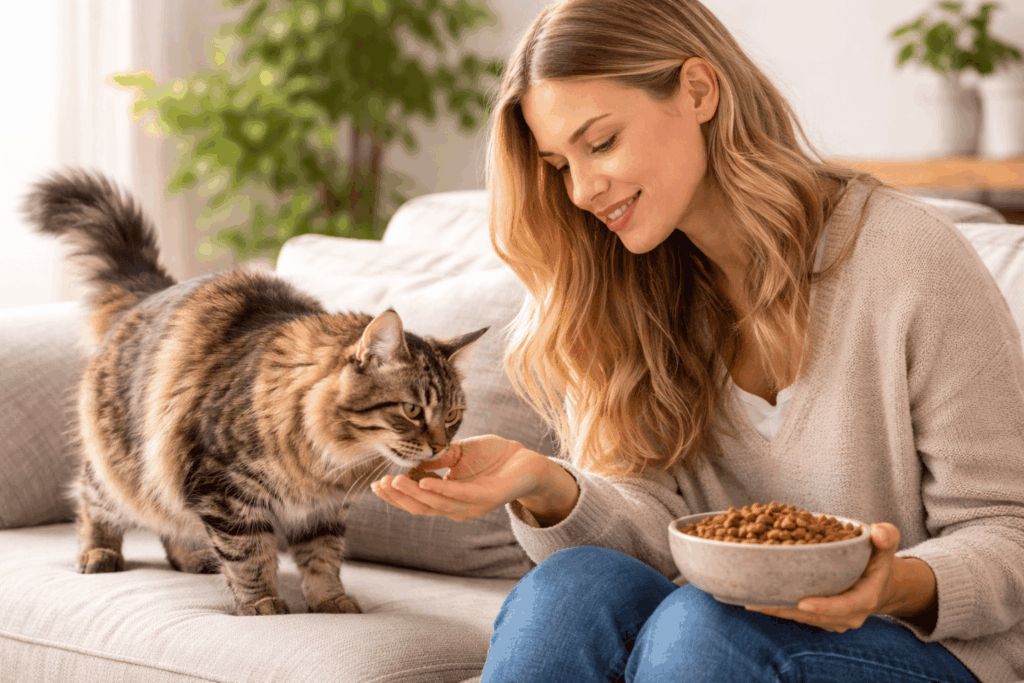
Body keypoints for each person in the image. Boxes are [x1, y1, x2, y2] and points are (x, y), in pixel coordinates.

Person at [370, 0, 1024, 680]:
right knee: (574, 587)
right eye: (560, 165)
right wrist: (547, 483)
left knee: (705, 626)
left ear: (698, 91)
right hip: (709, 641)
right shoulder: (637, 290)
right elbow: (657, 536)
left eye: (601, 143)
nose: (584, 190)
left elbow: (1011, 533)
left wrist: (891, 582)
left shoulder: (909, 260)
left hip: (925, 651)